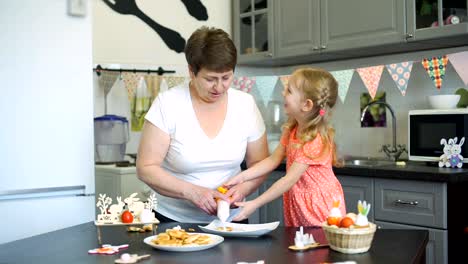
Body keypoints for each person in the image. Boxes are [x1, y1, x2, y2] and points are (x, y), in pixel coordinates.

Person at [136, 26, 269, 223]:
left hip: (231, 220)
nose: (219, 87)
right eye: (210, 79)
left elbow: (259, 163)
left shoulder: (245, 104)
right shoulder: (168, 104)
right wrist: (192, 192)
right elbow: (146, 167)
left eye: (226, 77)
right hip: (173, 221)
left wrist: (243, 190)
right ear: (191, 71)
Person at [224, 67, 346, 227]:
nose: (283, 93)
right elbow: (273, 160)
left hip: (319, 206)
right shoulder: (292, 130)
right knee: (302, 246)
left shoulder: (314, 140)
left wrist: (254, 204)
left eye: (289, 90)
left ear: (306, 105)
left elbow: (288, 180)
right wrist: (242, 177)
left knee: (319, 248)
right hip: (300, 203)